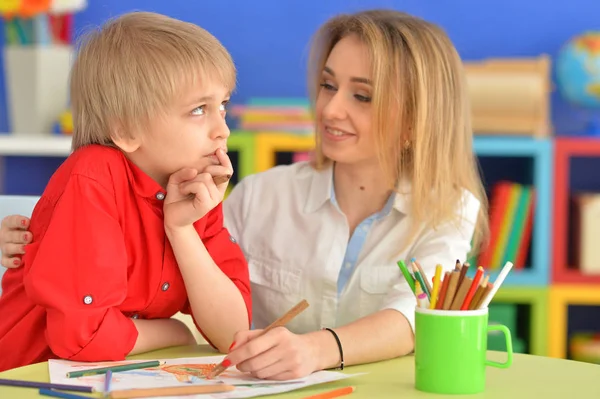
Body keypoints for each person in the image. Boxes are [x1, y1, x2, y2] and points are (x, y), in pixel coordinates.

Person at [0, 9, 488, 380]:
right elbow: (192, 315)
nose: (330, 109)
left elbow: (415, 318)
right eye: (326, 85)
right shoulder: (259, 194)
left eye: (362, 95)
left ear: (414, 121)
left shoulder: (447, 210)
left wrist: (315, 348)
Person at [0, 11, 252, 372]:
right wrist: (176, 331)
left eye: (223, 106)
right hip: (28, 377)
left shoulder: (193, 186)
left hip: (119, 374)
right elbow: (82, 338)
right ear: (126, 131)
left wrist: (181, 231)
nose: (222, 130)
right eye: (199, 110)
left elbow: (233, 332)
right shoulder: (94, 175)